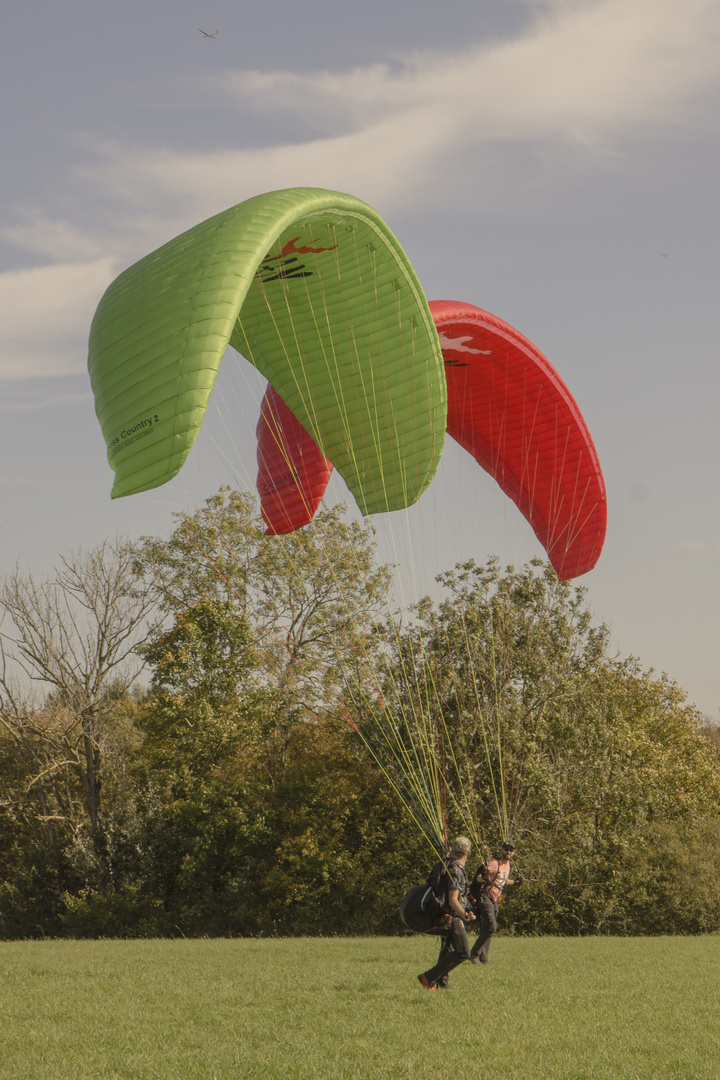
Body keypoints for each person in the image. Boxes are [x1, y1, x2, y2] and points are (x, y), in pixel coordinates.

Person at [417, 836, 477, 991]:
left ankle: (442, 984)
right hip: (453, 915)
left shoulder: (448, 865)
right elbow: (453, 900)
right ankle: (428, 978)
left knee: (447, 950)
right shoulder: (455, 871)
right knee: (464, 952)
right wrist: (464, 914)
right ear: (468, 852)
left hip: (447, 914)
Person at [469, 840, 522, 965]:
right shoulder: (494, 863)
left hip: (494, 899)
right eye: (506, 849)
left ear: (513, 852)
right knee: (492, 927)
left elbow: (502, 880)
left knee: (488, 928)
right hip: (485, 896)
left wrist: (515, 883)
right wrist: (483, 876)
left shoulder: (508, 864)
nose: (508, 852)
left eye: (511, 850)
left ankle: (483, 957)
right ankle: (474, 953)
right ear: (502, 849)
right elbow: (479, 878)